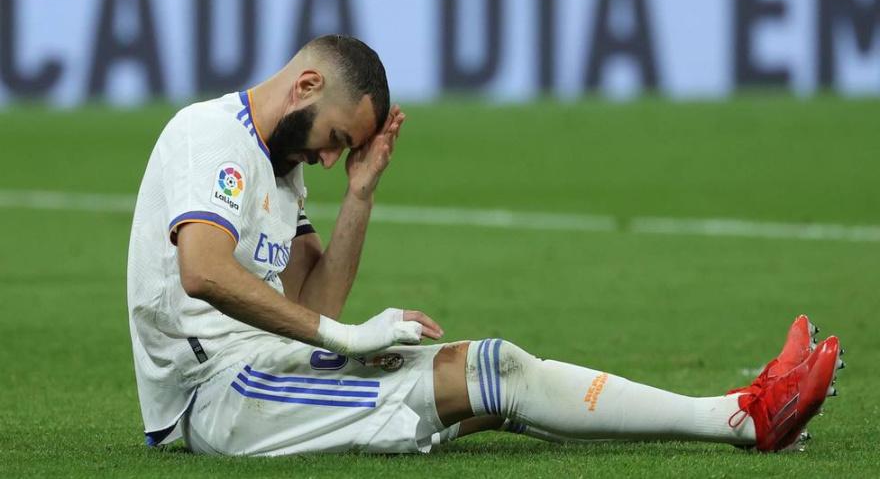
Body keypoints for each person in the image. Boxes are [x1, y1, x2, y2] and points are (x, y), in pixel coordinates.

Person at [126, 35, 843, 456]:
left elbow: (318, 304)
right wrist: (346, 338)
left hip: (265, 368)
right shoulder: (210, 137)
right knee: (491, 379)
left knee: (499, 369)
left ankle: (743, 410)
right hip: (214, 398)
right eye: (337, 139)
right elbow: (203, 272)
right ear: (306, 84)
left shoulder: (284, 171)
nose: (330, 158)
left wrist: (360, 197)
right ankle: (747, 418)